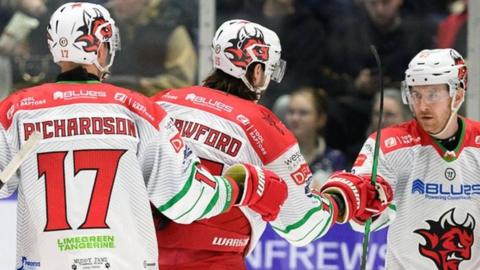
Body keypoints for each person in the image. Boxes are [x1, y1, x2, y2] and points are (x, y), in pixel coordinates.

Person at [0, 4, 288, 269]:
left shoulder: (18, 110)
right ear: (100, 50)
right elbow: (186, 201)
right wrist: (242, 187)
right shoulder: (139, 110)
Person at [152, 19, 393, 269]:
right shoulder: (263, 125)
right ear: (257, 71)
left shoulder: (163, 102)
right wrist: (343, 201)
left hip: (139, 255)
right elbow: (302, 225)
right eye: (269, 69)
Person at [345, 48, 479, 269]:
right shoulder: (388, 144)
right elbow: (361, 222)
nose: (423, 105)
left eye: (433, 95)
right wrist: (362, 204)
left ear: (458, 94)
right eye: (416, 94)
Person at [107, 0, 197, 96]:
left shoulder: (172, 29)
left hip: (158, 104)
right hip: (112, 103)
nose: (116, 3)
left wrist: (142, 85)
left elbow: (182, 82)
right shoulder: (106, 25)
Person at [285, 87, 347, 184]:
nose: (295, 118)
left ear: (321, 119)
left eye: (303, 113)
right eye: (291, 112)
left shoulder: (335, 159)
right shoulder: (275, 154)